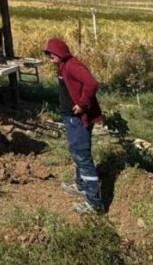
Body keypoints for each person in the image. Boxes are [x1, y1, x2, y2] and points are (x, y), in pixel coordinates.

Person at [44, 37, 105, 214]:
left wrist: (83, 104)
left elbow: (92, 83)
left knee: (82, 156)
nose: (49, 58)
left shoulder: (72, 65)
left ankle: (94, 203)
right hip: (70, 117)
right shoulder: (62, 66)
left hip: (78, 118)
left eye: (51, 54)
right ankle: (81, 186)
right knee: (77, 152)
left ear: (60, 53)